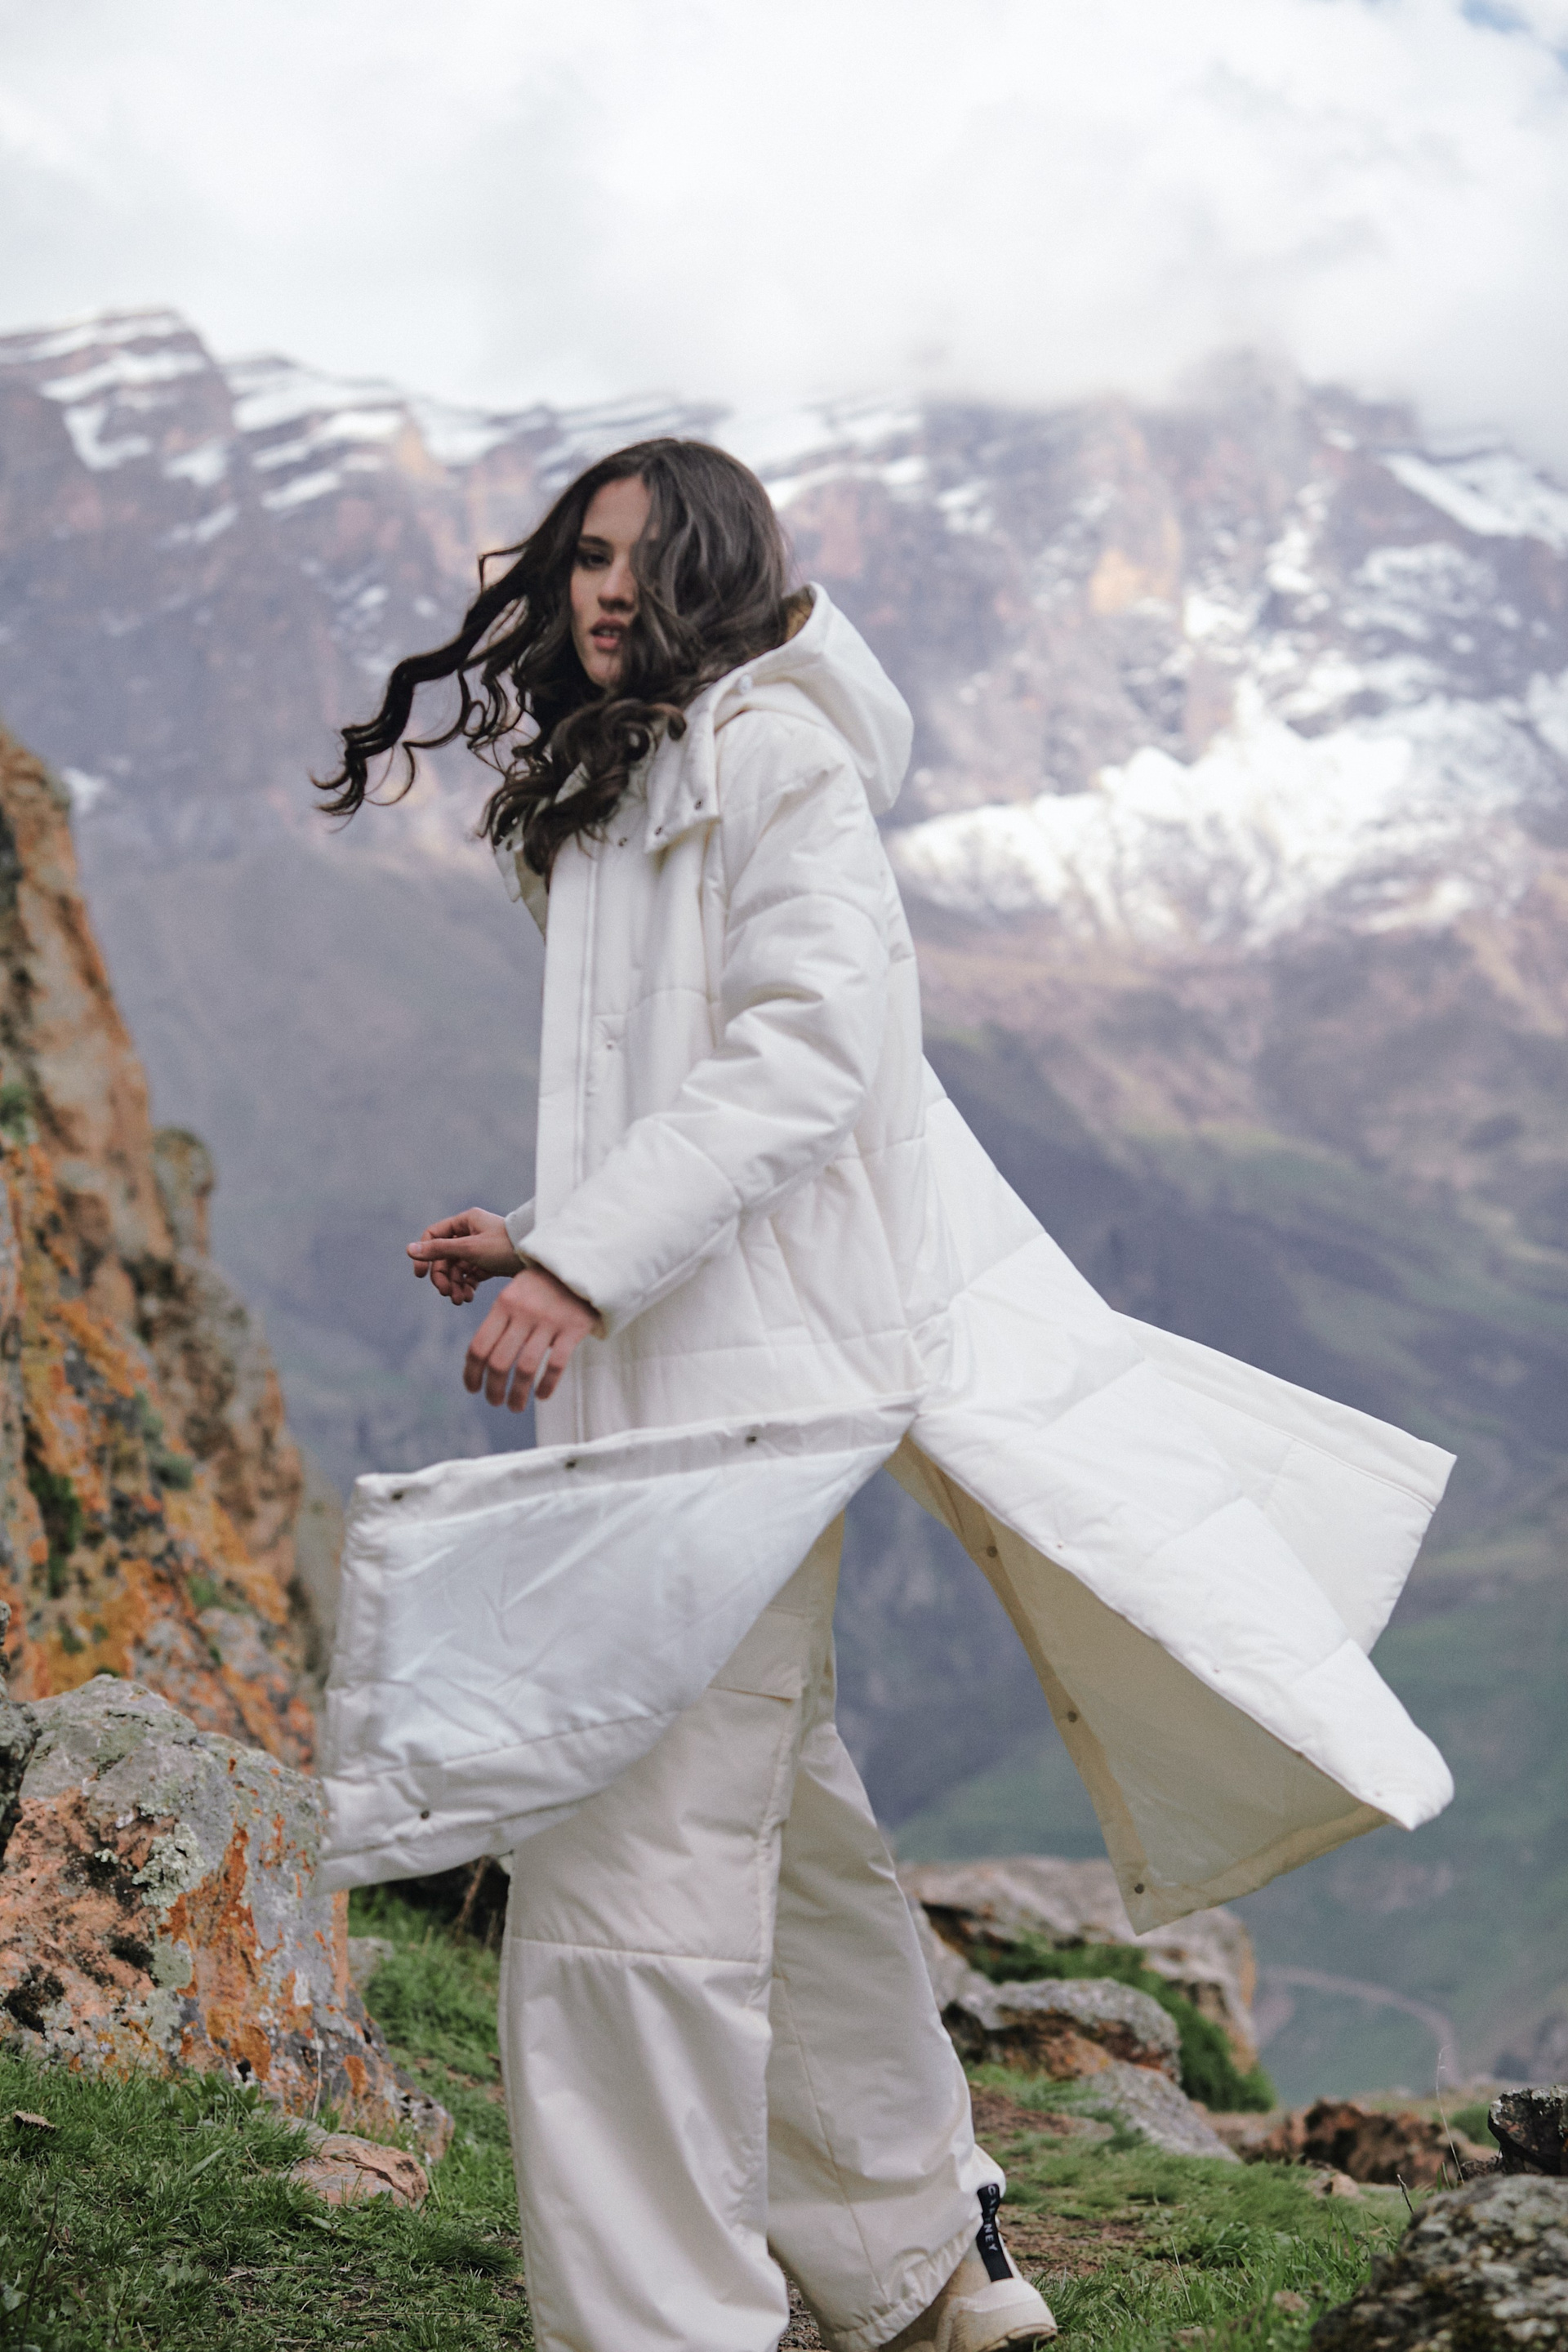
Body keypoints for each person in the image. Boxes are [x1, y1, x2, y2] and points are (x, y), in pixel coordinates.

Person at [317, 439, 1453, 2352]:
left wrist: (587, 1267)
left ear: (719, 576)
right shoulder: (640, 778)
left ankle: (665, 2324)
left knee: (630, 1870)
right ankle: (932, 2264)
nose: (603, 588)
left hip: (735, 1418)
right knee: (787, 1843)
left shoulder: (776, 761)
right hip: (687, 1396)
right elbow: (708, 1099)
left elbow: (812, 1058)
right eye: (583, 555)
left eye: (642, 559)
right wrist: (544, 1232)